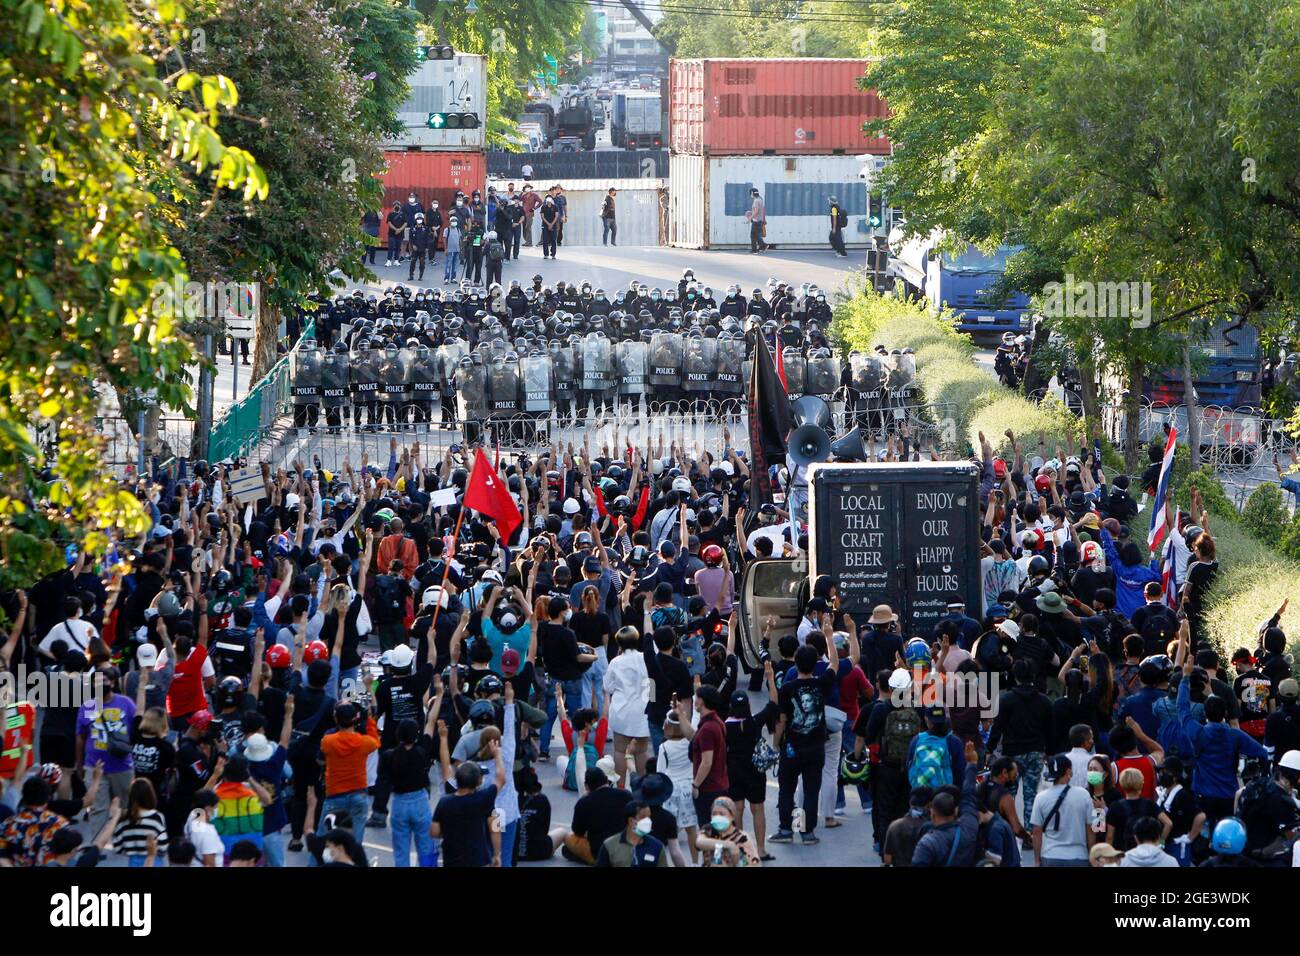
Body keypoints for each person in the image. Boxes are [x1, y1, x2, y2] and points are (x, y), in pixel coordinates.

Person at [771, 643, 836, 845]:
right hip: (816, 747)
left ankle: (786, 829)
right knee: (810, 790)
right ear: (816, 664)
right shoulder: (821, 684)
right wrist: (827, 637)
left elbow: (781, 719)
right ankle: (807, 832)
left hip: (792, 747)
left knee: (787, 790)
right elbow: (834, 663)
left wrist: (776, 743)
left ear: (796, 664)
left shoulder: (787, 688)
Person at [431, 726, 507, 867]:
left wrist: (443, 738)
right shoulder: (484, 799)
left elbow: (434, 831)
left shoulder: (445, 801)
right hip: (478, 860)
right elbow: (501, 779)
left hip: (452, 860)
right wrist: (497, 755)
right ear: (478, 782)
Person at [910, 741, 981, 866]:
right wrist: (972, 763)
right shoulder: (969, 827)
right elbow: (969, 796)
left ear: (932, 813)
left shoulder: (927, 843)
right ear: (955, 811)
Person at [1030, 754, 1095, 866]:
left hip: (1050, 856)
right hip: (1078, 857)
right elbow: (1091, 829)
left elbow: (1036, 832)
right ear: (1069, 771)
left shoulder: (1041, 797)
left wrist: (1037, 860)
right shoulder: (1083, 795)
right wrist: (1092, 856)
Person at [595, 800, 669, 867]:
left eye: (649, 817)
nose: (648, 821)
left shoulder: (657, 847)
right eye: (643, 817)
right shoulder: (610, 845)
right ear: (631, 821)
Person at [746, 187, 767, 253]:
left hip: (756, 221)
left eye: (750, 193)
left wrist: (750, 218)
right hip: (759, 220)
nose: (750, 195)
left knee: (753, 235)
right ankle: (758, 248)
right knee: (756, 235)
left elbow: (756, 211)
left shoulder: (756, 201)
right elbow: (761, 210)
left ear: (752, 193)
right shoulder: (760, 199)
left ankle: (763, 246)